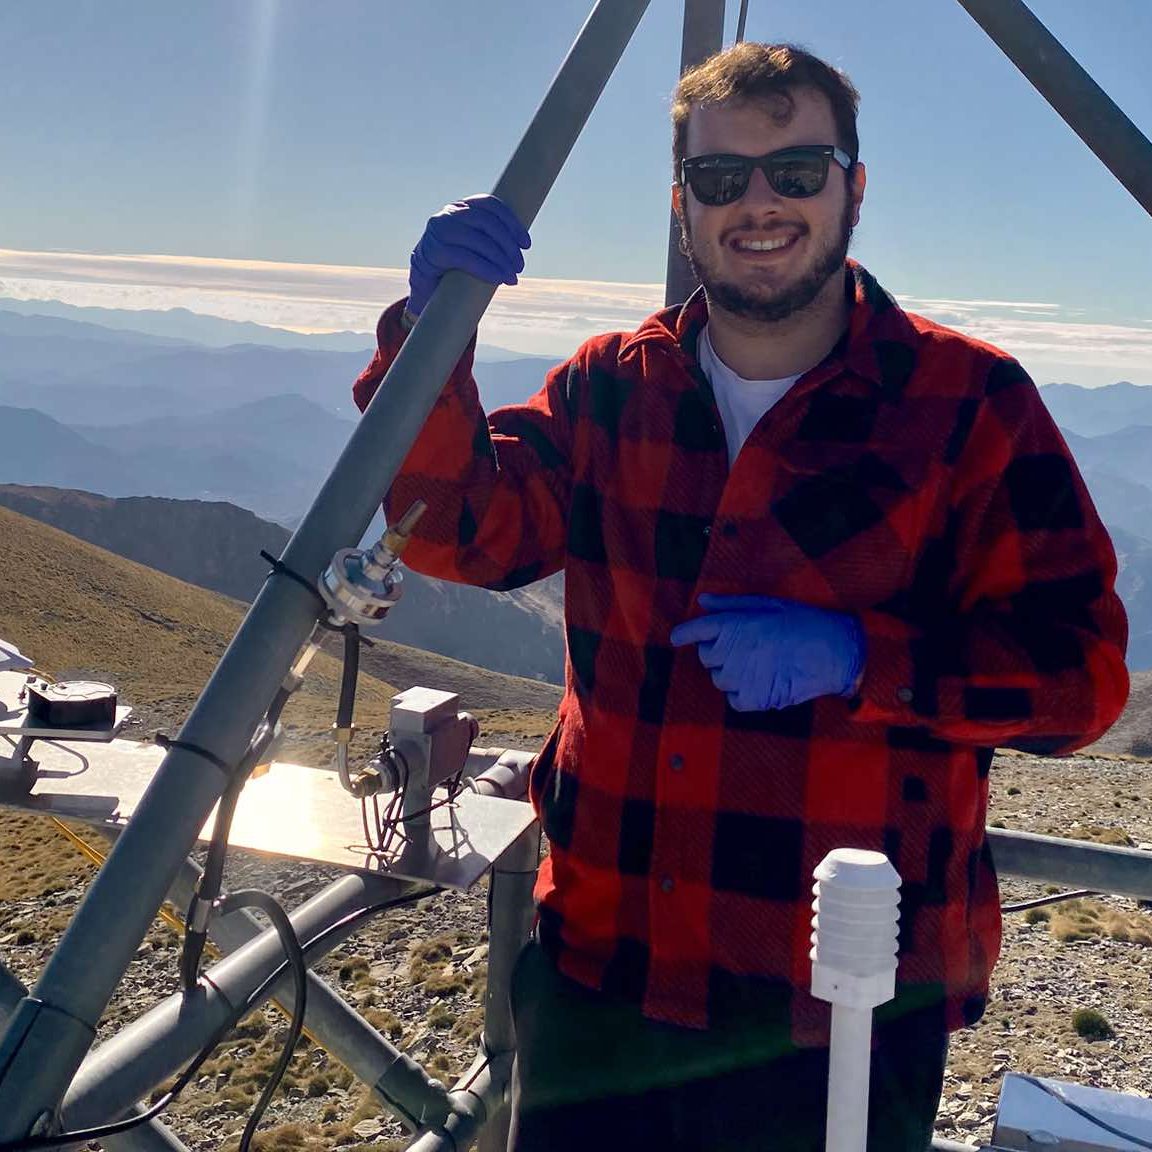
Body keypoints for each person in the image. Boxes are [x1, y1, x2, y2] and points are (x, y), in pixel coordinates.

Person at [353, 42, 1129, 1152]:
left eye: (797, 171)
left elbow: (1080, 680)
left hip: (839, 1012)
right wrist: (433, 340)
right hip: (603, 982)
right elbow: (457, 529)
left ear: (855, 188)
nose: (758, 205)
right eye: (721, 179)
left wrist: (863, 658)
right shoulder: (610, 387)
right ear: (683, 206)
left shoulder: (969, 404)